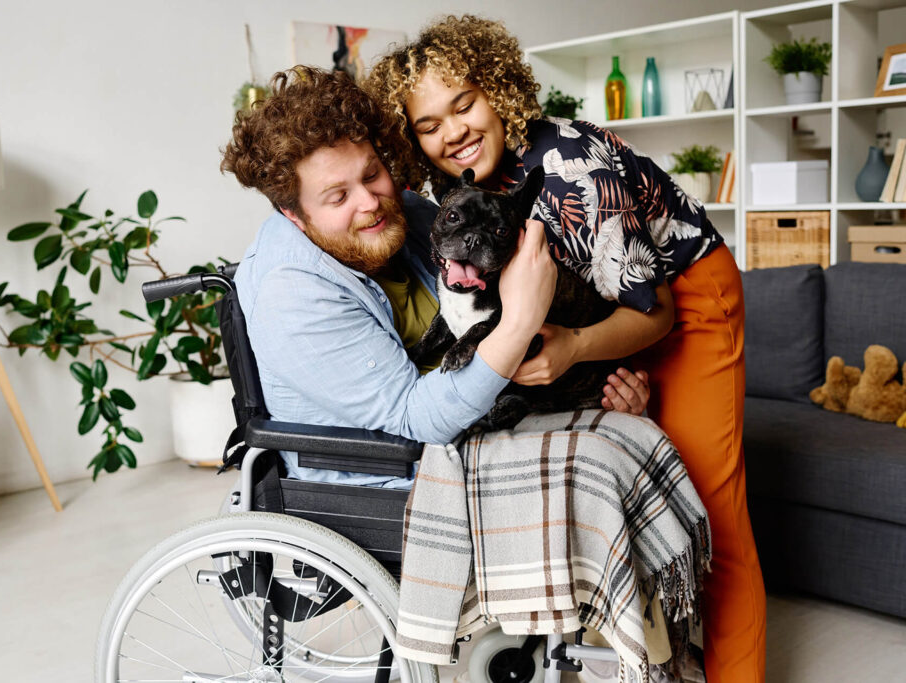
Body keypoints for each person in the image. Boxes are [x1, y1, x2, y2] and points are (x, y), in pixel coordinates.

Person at [366, 15, 766, 682]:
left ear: (497, 89)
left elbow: (653, 309)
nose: (453, 131)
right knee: (635, 470)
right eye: (429, 124)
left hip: (680, 295)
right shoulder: (461, 183)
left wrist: (578, 347)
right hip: (595, 307)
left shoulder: (568, 168)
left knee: (710, 511)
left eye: (464, 103)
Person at [220, 66, 648, 489]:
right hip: (400, 470)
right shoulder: (291, 290)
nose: (370, 201)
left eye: (372, 174)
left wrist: (597, 395)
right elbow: (416, 420)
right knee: (601, 468)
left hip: (491, 420)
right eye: (338, 196)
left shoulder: (407, 215)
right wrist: (520, 323)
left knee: (632, 438)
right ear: (293, 214)